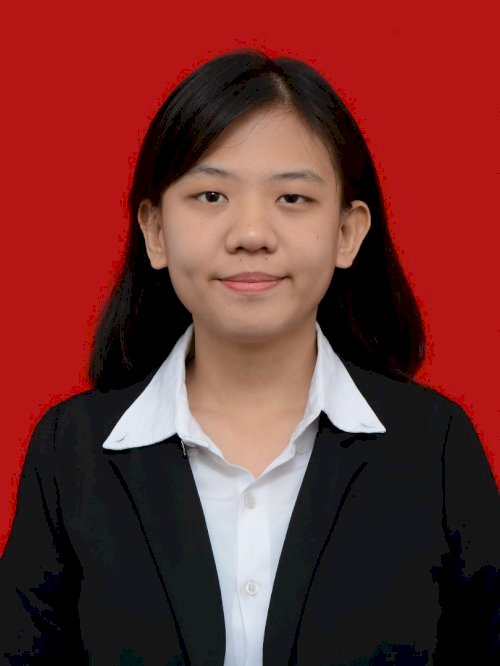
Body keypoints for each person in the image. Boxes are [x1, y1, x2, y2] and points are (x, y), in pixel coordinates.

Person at [1, 48, 499, 666]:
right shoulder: (70, 452)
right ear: (155, 232)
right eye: (211, 196)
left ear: (348, 233)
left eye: (292, 198)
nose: (251, 234)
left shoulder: (435, 446)